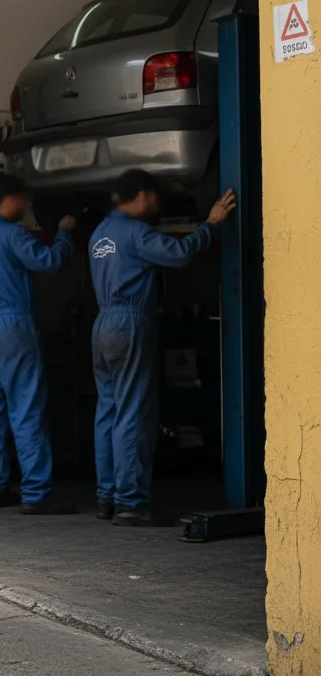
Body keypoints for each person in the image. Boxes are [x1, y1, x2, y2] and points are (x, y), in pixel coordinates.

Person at [88, 170, 236, 526]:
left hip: (103, 325)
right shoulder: (136, 232)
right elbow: (180, 253)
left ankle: (107, 497)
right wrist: (211, 225)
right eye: (154, 198)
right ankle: (130, 503)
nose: (156, 205)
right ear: (140, 196)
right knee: (133, 412)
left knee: (107, 410)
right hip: (129, 323)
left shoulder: (99, 234)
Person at [0, 174, 77, 515]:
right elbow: (51, 262)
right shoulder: (13, 235)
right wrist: (66, 232)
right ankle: (37, 493)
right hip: (13, 326)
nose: (26, 207)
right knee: (26, 407)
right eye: (24, 201)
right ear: (11, 199)